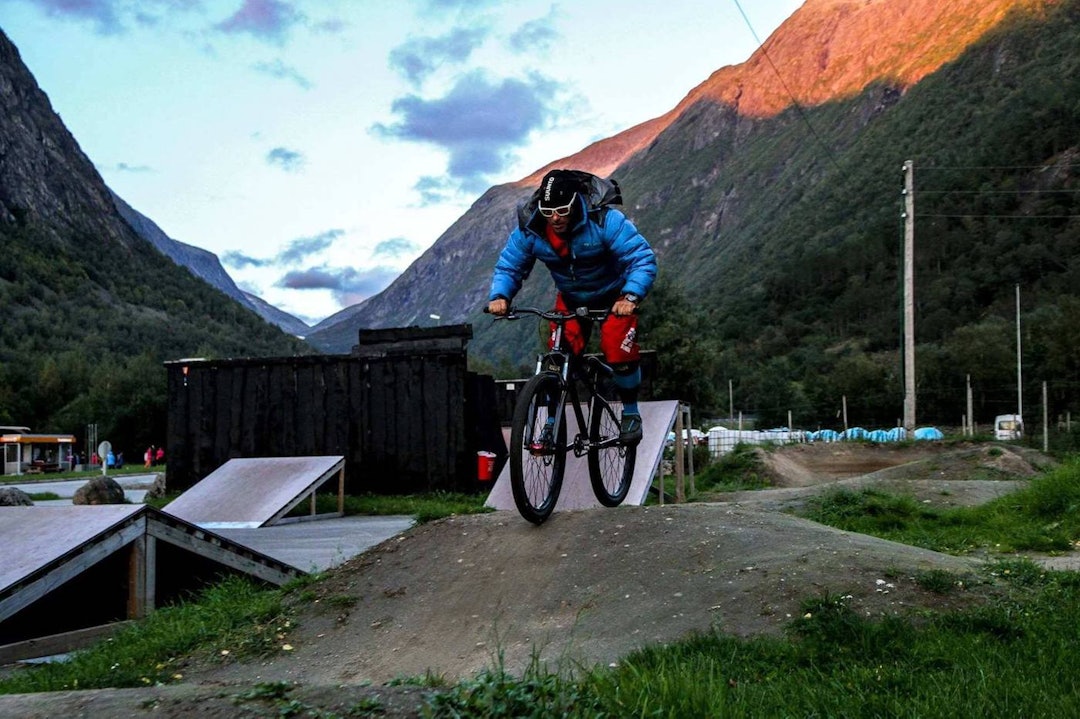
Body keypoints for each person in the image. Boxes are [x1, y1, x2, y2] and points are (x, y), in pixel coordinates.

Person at [487, 169, 657, 444]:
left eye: (563, 210)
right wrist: (500, 296)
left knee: (618, 349)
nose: (555, 218)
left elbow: (641, 259)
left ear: (576, 202)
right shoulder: (530, 228)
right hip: (570, 298)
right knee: (556, 360)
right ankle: (550, 424)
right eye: (549, 210)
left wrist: (630, 297)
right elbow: (510, 265)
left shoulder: (605, 220)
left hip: (614, 297)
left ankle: (630, 412)